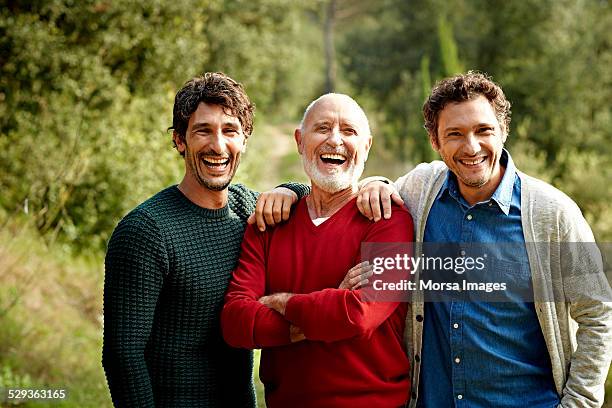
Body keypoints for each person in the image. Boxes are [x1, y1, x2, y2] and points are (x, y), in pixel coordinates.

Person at [358, 72, 612, 407]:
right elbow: (376, 188)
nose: (472, 147)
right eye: (455, 134)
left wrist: (578, 402)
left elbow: (598, 314)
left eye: (484, 130)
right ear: (435, 141)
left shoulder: (553, 214)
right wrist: (374, 182)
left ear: (504, 131)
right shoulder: (420, 190)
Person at [102, 72, 311, 407]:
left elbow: (314, 203)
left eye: (230, 131)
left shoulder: (248, 209)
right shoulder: (145, 231)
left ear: (244, 141)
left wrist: (290, 189)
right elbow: (123, 355)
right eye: (203, 130)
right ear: (180, 140)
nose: (218, 145)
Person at [221, 93, 414, 408]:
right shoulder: (269, 223)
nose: (335, 140)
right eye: (322, 128)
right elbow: (236, 322)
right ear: (299, 141)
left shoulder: (390, 220)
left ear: (366, 146)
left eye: (349, 131)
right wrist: (326, 312)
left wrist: (282, 303)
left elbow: (358, 314)